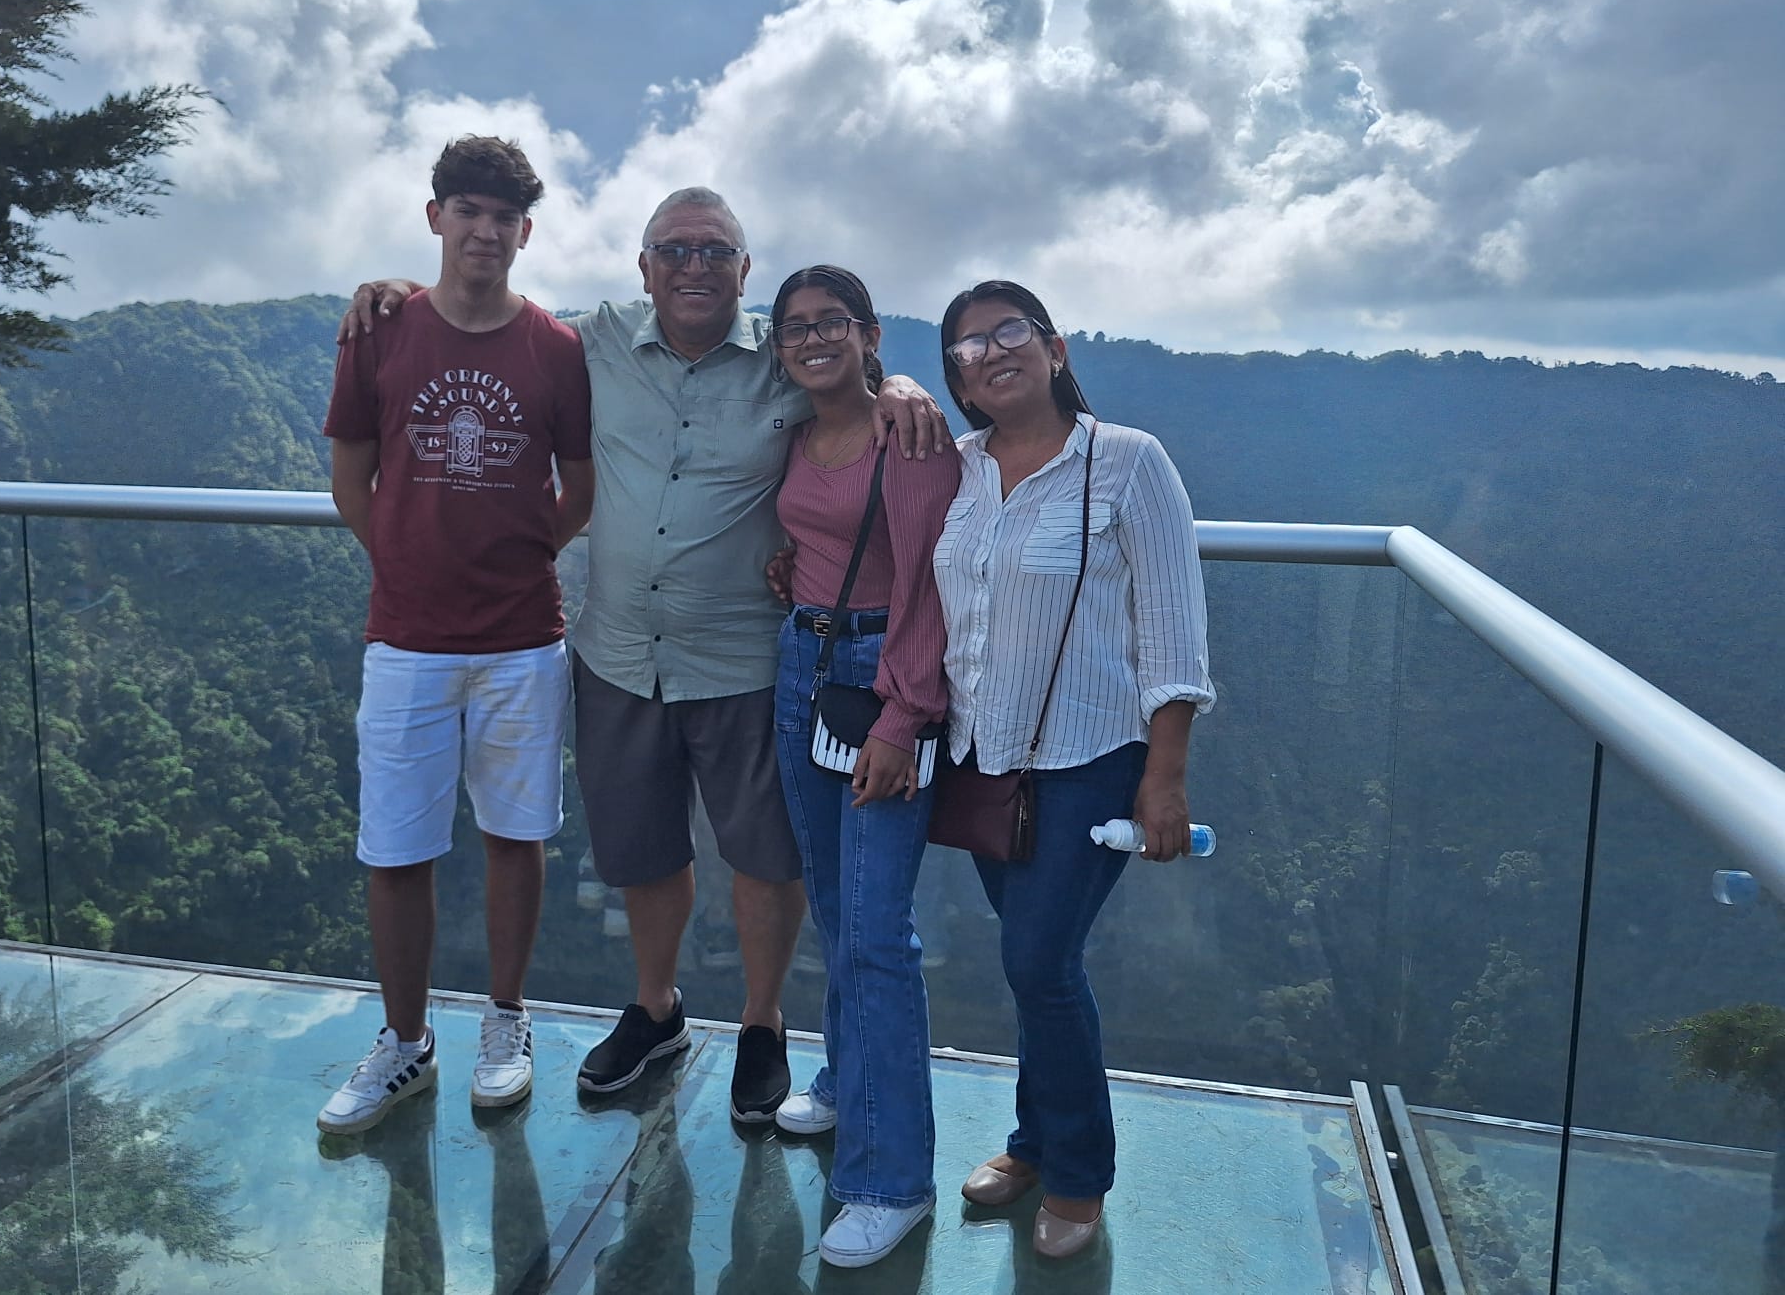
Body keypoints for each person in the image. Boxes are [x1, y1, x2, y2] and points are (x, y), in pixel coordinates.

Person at [340, 188, 949, 1127]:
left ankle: (760, 1024)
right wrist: (393, 293)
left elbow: (851, 385)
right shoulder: (592, 342)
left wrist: (904, 386)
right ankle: (657, 1009)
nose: (694, 266)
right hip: (617, 648)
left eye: (715, 252)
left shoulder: (782, 363)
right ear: (643, 267)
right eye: (674, 249)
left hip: (744, 652)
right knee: (641, 847)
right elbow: (490, 321)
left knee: (763, 854)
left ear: (745, 272)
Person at [317, 136, 595, 1133]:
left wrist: (519, 554)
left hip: (524, 635)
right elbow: (351, 478)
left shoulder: (557, 349)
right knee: (395, 848)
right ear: (435, 217)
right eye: (467, 210)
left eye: (503, 215)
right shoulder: (380, 331)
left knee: (518, 837)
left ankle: (505, 1022)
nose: (485, 229)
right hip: (406, 637)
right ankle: (404, 1042)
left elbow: (582, 488)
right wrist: (403, 555)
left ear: (526, 230)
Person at [932, 280, 1213, 1259]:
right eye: (967, 347)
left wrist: (1164, 778)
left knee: (1038, 963)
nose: (990, 352)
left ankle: (1079, 1174)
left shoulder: (1128, 464)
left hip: (1094, 760)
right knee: (1034, 968)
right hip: (983, 760)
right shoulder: (955, 469)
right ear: (956, 379)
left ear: (1054, 347)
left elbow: (1174, 635)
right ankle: (1033, 1141)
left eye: (1009, 332)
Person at [764, 265, 959, 1268]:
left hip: (884, 677)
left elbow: (930, 582)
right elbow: (802, 532)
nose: (810, 339)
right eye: (793, 327)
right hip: (803, 662)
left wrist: (905, 710)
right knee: (836, 907)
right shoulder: (795, 435)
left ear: (867, 331)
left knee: (879, 928)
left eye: (829, 322)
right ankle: (846, 1077)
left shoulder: (907, 434)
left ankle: (892, 1178)